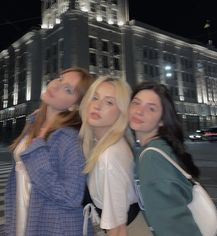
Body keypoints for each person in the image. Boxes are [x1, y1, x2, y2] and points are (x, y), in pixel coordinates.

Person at [128, 81, 217, 236]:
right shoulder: (162, 147)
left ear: (162, 120)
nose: (139, 111)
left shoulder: (152, 159)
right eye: (136, 103)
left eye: (151, 108)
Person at [5, 67, 94, 236]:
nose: (55, 85)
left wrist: (37, 154)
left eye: (67, 89)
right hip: (26, 217)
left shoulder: (68, 138)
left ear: (74, 106)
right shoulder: (35, 123)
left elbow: (71, 196)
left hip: (55, 227)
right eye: (60, 79)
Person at [80, 76, 150, 236]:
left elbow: (117, 228)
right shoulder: (104, 144)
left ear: (122, 112)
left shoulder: (109, 155)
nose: (97, 105)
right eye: (95, 97)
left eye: (109, 102)